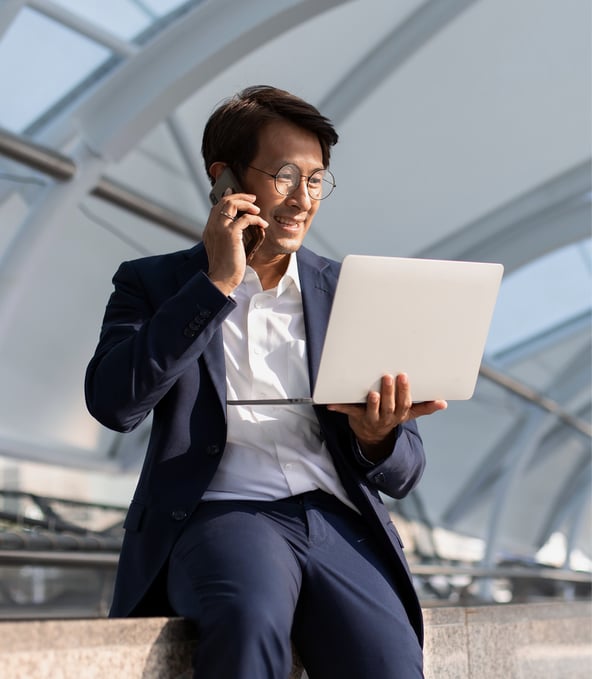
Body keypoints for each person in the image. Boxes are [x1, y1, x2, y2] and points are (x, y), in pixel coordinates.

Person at [85, 85, 447, 679]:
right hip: (222, 513)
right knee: (248, 621)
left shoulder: (349, 291)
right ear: (224, 178)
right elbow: (113, 403)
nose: (302, 199)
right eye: (284, 175)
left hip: (338, 521)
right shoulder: (152, 285)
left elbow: (405, 472)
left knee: (389, 661)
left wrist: (377, 436)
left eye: (315, 180)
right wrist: (215, 285)